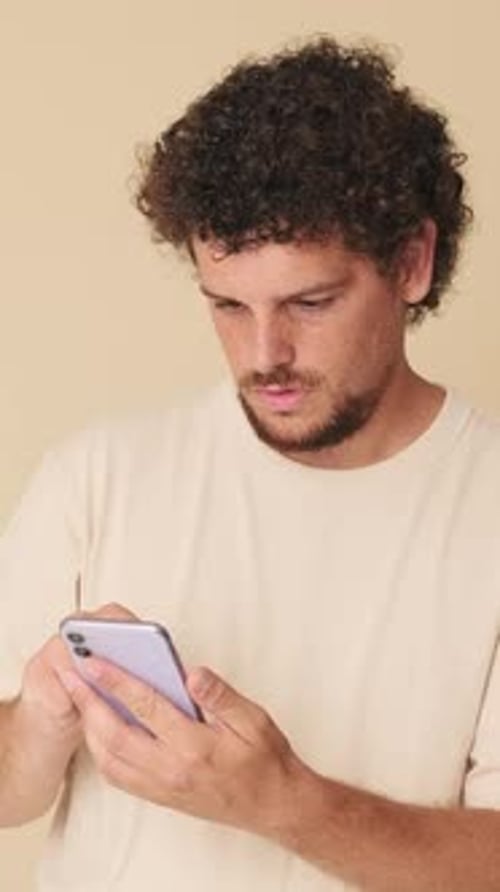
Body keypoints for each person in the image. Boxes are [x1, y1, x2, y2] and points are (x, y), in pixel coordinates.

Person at [1, 35, 500, 892]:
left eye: (311, 302)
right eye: (227, 305)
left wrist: (284, 803)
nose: (264, 353)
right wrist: (39, 721)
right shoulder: (99, 474)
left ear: (412, 263)